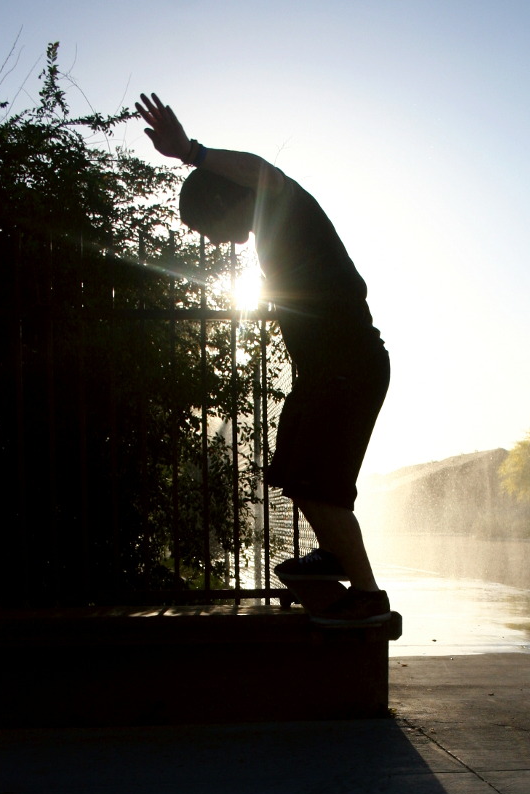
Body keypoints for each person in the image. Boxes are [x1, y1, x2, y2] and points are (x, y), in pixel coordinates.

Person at [136, 91, 392, 626]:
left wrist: (191, 151)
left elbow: (262, 170)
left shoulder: (284, 208)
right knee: (295, 467)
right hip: (327, 372)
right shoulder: (271, 243)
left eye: (207, 226)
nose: (213, 240)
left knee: (321, 480)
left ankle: (367, 594)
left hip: (351, 367)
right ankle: (333, 555)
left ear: (226, 199)